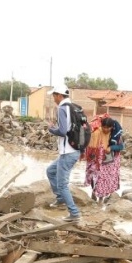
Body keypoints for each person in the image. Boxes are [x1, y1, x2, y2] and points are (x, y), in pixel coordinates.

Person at [44, 84, 84, 222]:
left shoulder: (62, 108)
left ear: (59, 95)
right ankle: (60, 198)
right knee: (50, 171)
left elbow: (62, 131)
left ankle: (74, 213)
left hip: (68, 152)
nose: (54, 98)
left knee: (62, 184)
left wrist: (51, 129)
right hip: (74, 150)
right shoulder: (74, 107)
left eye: (54, 95)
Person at [84, 116, 124, 205]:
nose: (106, 129)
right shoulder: (96, 132)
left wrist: (111, 147)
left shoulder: (115, 134)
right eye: (104, 127)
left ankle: (101, 198)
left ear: (111, 127)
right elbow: (89, 145)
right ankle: (94, 192)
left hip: (109, 160)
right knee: (93, 176)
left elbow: (121, 146)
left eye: (108, 128)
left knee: (104, 179)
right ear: (101, 126)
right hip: (95, 158)